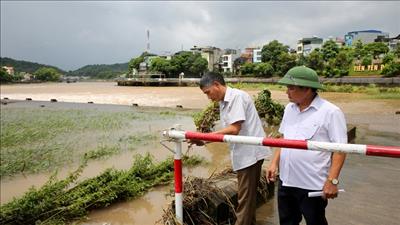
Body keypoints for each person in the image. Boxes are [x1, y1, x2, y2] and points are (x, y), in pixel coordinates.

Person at [266, 66, 347, 225]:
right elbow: (283, 137)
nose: (287, 92)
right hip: (286, 180)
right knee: (287, 221)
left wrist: (332, 181)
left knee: (315, 221)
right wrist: (274, 162)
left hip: (312, 184)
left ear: (308, 89)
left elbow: (341, 149)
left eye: (291, 88)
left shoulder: (330, 112)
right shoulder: (289, 108)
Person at [192, 71, 271, 225]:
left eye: (208, 92)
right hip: (243, 155)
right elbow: (227, 134)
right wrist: (205, 141)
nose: (208, 97)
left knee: (245, 200)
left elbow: (234, 128)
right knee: (247, 199)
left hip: (250, 155)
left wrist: (205, 137)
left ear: (216, 84)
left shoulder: (236, 97)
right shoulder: (224, 102)